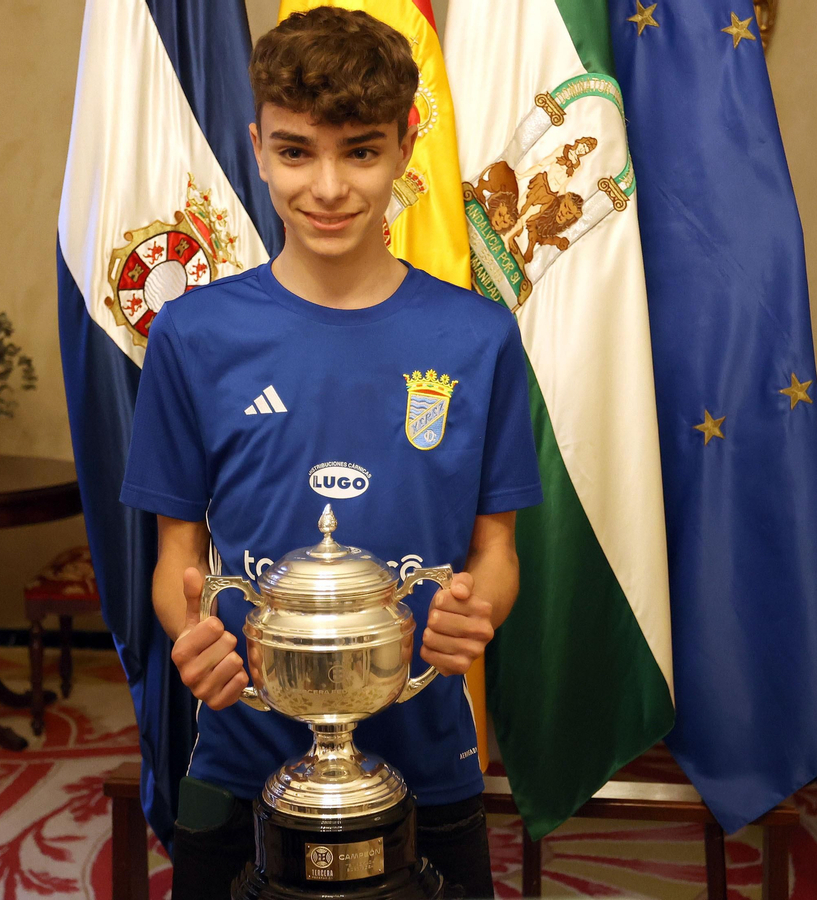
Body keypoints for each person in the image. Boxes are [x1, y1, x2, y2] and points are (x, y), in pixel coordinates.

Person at [119, 8, 543, 897]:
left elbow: (495, 554)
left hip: (430, 765)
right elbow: (177, 561)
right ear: (258, 147)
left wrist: (478, 613)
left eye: (359, 151)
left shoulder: (478, 336)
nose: (327, 187)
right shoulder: (194, 336)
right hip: (240, 755)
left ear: (405, 145)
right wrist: (189, 631)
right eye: (295, 151)